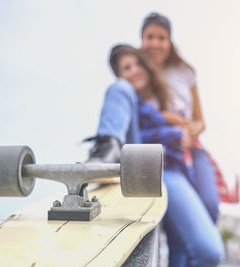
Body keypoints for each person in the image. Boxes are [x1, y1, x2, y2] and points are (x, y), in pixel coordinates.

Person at [87, 44, 224, 267]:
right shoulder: (128, 98)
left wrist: (177, 130)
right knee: (120, 90)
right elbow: (143, 134)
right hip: (138, 159)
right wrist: (171, 134)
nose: (134, 71)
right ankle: (107, 148)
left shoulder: (162, 103)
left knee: (197, 251)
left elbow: (195, 124)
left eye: (138, 64)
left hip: (170, 170)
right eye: (126, 68)